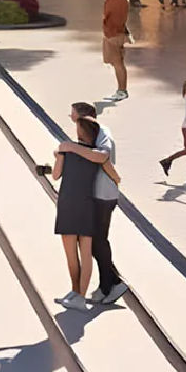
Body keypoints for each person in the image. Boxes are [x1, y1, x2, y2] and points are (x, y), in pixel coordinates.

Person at [60, 101, 127, 306]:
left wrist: (71, 147)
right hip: (93, 194)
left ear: (83, 117)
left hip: (103, 195)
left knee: (98, 241)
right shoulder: (87, 135)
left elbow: (102, 157)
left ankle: (113, 284)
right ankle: (107, 284)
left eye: (73, 114)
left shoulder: (101, 131)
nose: (71, 117)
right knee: (94, 241)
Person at [51, 116, 113, 308]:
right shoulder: (96, 155)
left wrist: (59, 155)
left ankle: (75, 291)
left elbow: (55, 175)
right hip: (88, 204)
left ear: (80, 131)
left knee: (71, 254)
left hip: (68, 204)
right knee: (86, 253)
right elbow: (112, 171)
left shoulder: (67, 150)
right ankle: (80, 296)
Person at [100, 0, 130, 102]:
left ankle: (122, 90)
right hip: (120, 33)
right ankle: (122, 89)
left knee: (118, 63)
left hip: (113, 35)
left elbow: (106, 15)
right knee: (118, 62)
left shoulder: (113, 2)